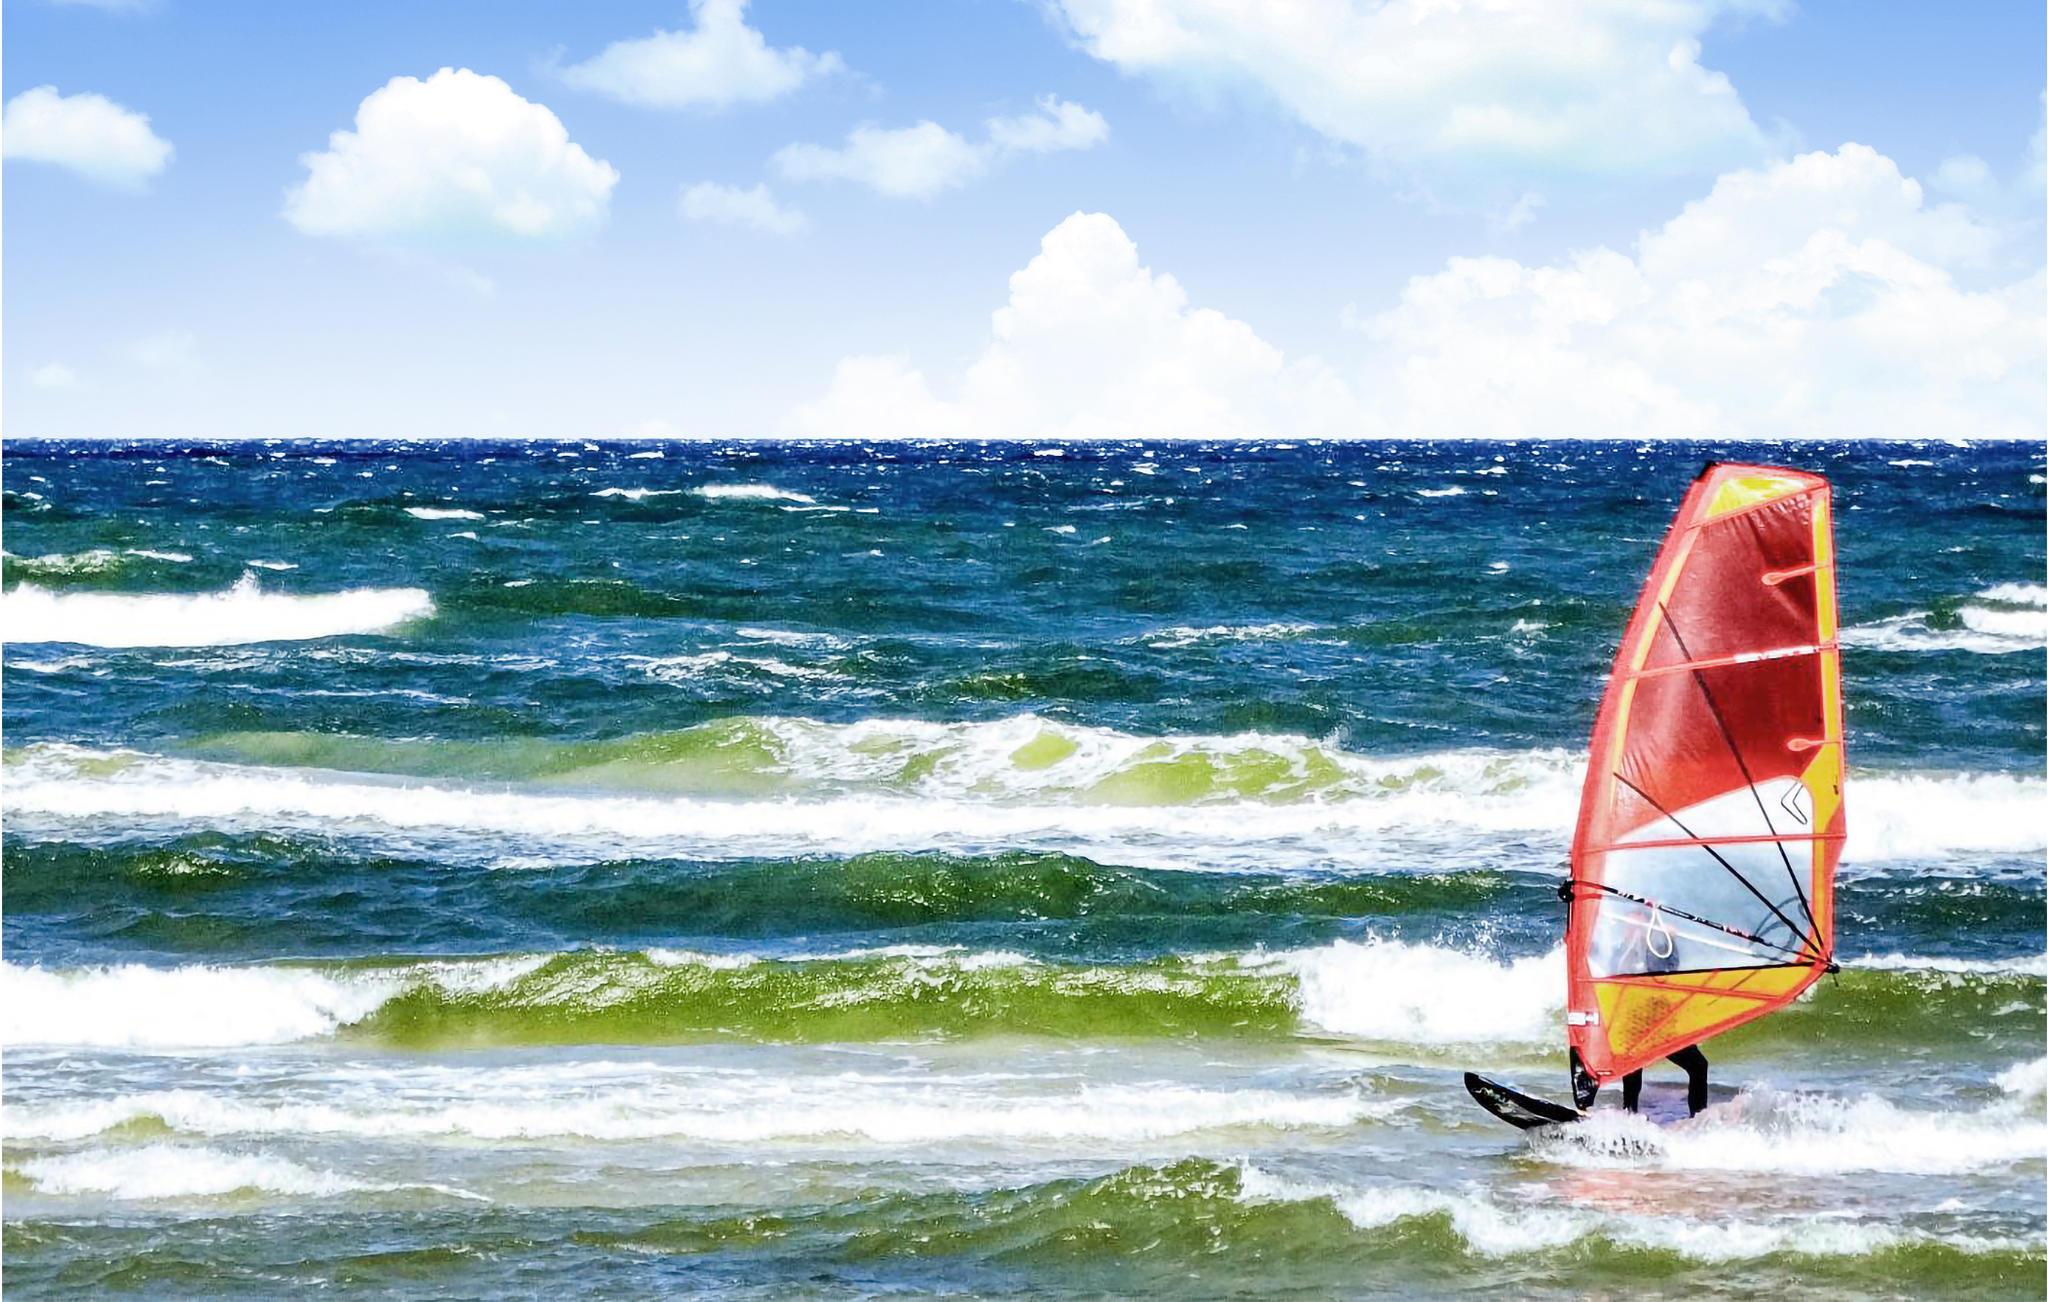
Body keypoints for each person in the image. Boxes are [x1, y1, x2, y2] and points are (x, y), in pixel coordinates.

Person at [1571, 1043, 1710, 1117]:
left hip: (1660, 1017)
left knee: (1698, 1065)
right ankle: (1629, 1114)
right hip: (1639, 1017)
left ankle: (1698, 1117)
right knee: (1634, 1061)